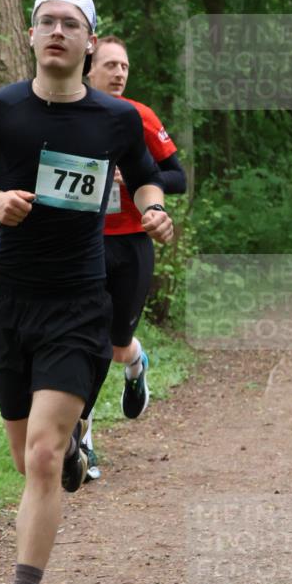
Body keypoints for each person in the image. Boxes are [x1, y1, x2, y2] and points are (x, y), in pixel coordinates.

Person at [0, 0, 173, 584]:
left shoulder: (115, 119)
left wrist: (153, 209)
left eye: (71, 23)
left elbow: (145, 172)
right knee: (28, 457)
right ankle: (66, 450)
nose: (58, 32)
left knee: (39, 457)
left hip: (79, 302)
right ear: (32, 36)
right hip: (9, 303)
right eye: (47, 22)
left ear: (88, 40)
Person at [82, 35, 187, 479]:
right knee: (86, 341)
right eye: (111, 65)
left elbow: (177, 178)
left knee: (116, 344)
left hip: (132, 242)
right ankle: (80, 441)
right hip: (83, 243)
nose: (120, 73)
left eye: (124, 66)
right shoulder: (70, 116)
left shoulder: (138, 117)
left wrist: (136, 181)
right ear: (89, 69)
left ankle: (136, 362)